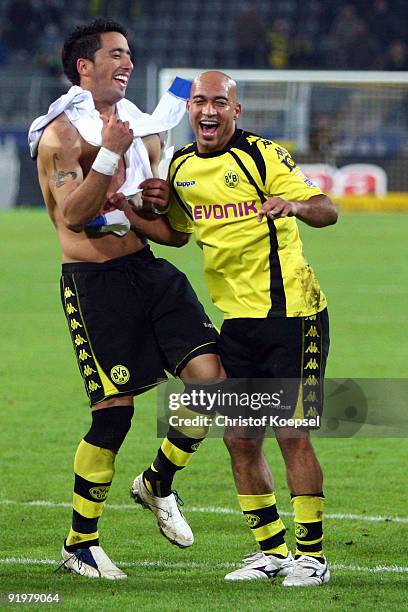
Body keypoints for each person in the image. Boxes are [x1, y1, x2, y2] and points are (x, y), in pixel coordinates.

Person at [31, 21, 225, 580]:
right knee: (114, 414)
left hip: (147, 270)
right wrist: (110, 156)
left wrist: (158, 204)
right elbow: (72, 215)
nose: (129, 63)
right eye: (115, 54)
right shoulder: (61, 137)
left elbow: (173, 236)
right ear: (83, 68)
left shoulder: (145, 132)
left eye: (131, 54)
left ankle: (158, 481)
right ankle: (80, 544)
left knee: (214, 382)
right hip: (94, 286)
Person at [152, 71, 338, 587]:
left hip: (293, 316)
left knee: (292, 433)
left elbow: (327, 210)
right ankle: (272, 552)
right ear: (189, 110)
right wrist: (129, 209)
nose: (207, 111)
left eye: (219, 102)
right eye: (198, 102)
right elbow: (176, 233)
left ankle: (313, 557)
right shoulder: (182, 166)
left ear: (238, 111)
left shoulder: (263, 156)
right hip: (237, 322)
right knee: (239, 438)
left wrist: (293, 205)